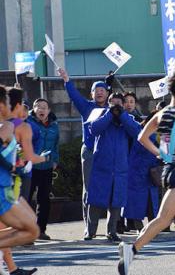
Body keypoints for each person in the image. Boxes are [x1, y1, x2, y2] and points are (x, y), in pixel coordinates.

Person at [118, 72, 175, 274]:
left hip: (170, 170)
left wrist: (160, 153)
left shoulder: (161, 113)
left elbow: (142, 137)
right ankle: (132, 249)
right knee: (163, 219)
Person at [58, 68, 109, 238]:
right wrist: (67, 79)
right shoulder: (86, 106)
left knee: (111, 187)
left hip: (108, 153)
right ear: (92, 93)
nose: (100, 93)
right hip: (89, 151)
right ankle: (89, 228)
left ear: (108, 94)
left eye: (103, 90)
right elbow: (74, 95)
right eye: (96, 90)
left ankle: (113, 228)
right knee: (89, 189)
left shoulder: (113, 109)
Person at [86, 93, 140, 242]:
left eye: (118, 104)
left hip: (120, 167)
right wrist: (110, 114)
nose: (115, 106)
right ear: (108, 104)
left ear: (123, 105)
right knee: (95, 200)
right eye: (112, 103)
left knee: (116, 202)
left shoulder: (127, 118)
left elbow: (136, 132)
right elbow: (94, 129)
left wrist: (122, 115)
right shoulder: (100, 114)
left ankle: (112, 231)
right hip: (102, 166)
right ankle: (90, 231)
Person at [0, 85, 40, 249]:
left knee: (30, 224)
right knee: (31, 231)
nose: (12, 107)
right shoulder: (7, 126)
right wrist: (11, 167)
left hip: (7, 187)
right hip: (2, 188)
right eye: (9, 103)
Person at [122, 112, 161, 232]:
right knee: (136, 202)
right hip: (137, 172)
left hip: (151, 171)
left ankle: (152, 227)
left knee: (151, 202)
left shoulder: (161, 134)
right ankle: (139, 227)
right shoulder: (139, 130)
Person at [27, 98, 59, 240]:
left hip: (46, 166)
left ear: (49, 110)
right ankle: (27, 230)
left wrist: (55, 160)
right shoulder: (28, 122)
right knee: (26, 198)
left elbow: (56, 144)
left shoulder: (54, 125)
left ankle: (41, 230)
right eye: (38, 107)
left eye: (44, 107)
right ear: (33, 110)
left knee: (44, 199)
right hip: (30, 166)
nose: (41, 109)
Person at [7, 88, 47, 201]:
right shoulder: (7, 125)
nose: (23, 113)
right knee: (10, 205)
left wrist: (32, 158)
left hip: (26, 171)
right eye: (21, 109)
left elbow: (38, 144)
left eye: (26, 110)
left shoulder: (32, 127)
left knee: (23, 201)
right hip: (9, 170)